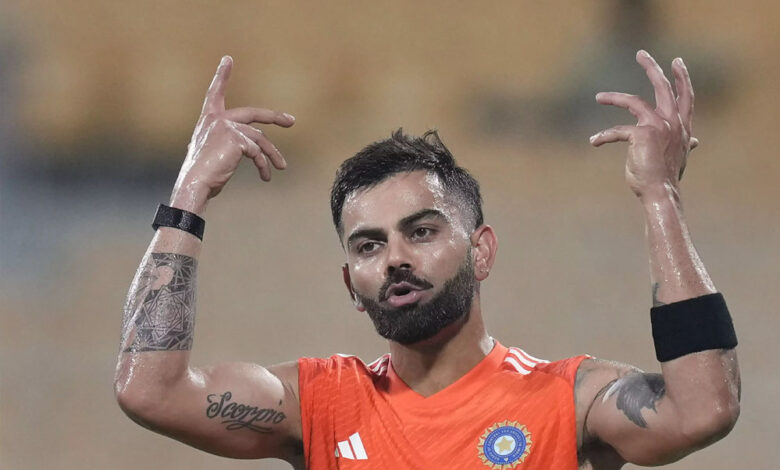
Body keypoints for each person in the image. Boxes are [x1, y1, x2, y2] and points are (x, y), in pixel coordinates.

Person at [114, 50, 740, 470]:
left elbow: (703, 410)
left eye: (421, 231)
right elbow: (149, 392)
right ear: (350, 286)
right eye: (369, 245)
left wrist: (660, 195)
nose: (394, 258)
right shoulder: (318, 405)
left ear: (482, 250)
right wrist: (189, 192)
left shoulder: (569, 400)